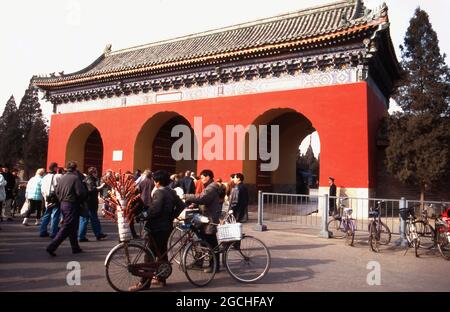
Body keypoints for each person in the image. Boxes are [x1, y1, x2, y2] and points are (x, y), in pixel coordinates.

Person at [130, 170, 185, 291]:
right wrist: (171, 216)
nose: (154, 182)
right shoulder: (171, 191)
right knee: (161, 253)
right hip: (166, 226)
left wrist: (142, 216)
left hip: (156, 227)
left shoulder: (159, 192)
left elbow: (155, 210)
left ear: (158, 181)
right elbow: (182, 206)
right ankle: (161, 278)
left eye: (155, 180)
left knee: (149, 254)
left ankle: (144, 283)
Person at [46, 161, 87, 256]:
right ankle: (52, 247)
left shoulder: (62, 177)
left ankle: (75, 247)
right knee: (67, 226)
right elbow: (80, 193)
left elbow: (56, 190)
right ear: (75, 168)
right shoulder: (75, 178)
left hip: (63, 203)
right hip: (71, 204)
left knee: (72, 226)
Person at [184, 169, 221, 273]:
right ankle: (199, 262)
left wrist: (186, 196)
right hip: (205, 217)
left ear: (208, 177)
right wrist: (194, 204)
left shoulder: (212, 187)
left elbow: (202, 198)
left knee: (211, 242)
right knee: (202, 241)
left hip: (210, 219)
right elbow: (204, 200)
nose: (201, 179)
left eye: (202, 177)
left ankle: (214, 266)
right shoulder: (209, 186)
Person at [78, 167, 107, 242]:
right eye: (96, 172)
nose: (97, 174)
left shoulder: (87, 179)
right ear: (93, 173)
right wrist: (101, 186)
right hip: (90, 203)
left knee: (85, 219)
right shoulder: (89, 179)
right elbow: (91, 189)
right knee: (92, 219)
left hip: (87, 202)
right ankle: (97, 234)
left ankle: (82, 236)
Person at [39, 163, 62, 238]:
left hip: (47, 198)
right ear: (55, 168)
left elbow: (42, 188)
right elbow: (57, 187)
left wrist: (45, 197)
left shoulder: (45, 177)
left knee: (46, 214)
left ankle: (42, 231)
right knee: (55, 215)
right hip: (54, 198)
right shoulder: (55, 176)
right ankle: (53, 233)